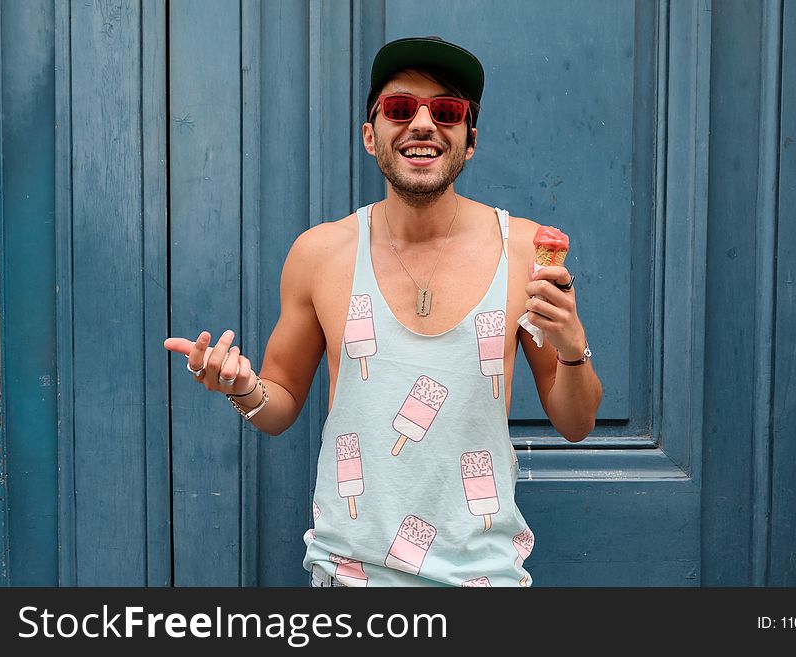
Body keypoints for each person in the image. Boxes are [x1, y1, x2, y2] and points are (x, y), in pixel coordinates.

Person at [164, 36, 602, 587]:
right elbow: (279, 408)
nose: (423, 124)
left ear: (470, 141)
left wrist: (572, 351)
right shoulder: (320, 254)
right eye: (400, 108)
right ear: (371, 136)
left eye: (446, 110)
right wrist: (241, 387)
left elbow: (577, 423)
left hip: (482, 580)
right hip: (347, 578)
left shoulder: (525, 252)